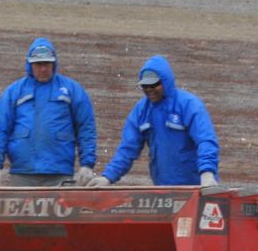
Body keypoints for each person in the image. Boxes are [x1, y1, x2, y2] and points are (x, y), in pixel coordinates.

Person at [0, 37, 98, 187]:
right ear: (30, 65)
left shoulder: (72, 90)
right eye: (38, 64)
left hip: (60, 174)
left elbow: (86, 128)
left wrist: (87, 165)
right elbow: (0, 130)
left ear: (54, 64)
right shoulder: (14, 92)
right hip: (22, 173)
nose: (43, 69)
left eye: (47, 64)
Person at [91, 55, 219, 189]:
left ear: (165, 82)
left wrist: (207, 174)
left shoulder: (189, 105)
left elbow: (206, 140)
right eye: (145, 85)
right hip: (163, 189)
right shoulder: (141, 111)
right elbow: (127, 149)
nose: (149, 89)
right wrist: (108, 177)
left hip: (198, 187)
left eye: (153, 84)